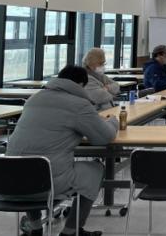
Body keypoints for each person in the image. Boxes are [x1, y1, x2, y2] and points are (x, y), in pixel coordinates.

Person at [7, 65, 118, 236]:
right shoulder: (79, 105)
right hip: (48, 180)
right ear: (80, 84)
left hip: (9, 177)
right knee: (95, 170)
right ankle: (71, 230)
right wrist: (113, 121)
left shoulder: (34, 99)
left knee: (29, 165)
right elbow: (104, 137)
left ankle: (35, 227)